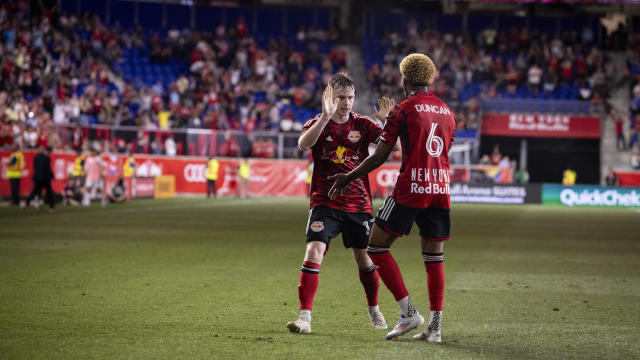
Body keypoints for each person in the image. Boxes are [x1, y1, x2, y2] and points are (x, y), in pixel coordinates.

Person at [329, 54, 456, 342]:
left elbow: (382, 155)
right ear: (429, 78)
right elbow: (445, 149)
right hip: (440, 189)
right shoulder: (448, 111)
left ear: (404, 79)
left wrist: (347, 176)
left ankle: (409, 312)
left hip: (411, 188)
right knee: (434, 257)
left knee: (375, 247)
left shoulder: (403, 109)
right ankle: (435, 328)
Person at [286, 72, 395, 335]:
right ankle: (305, 319)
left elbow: (396, 147)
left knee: (363, 257)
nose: (346, 103)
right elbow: (303, 144)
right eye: (340, 98)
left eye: (349, 98)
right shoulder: (318, 122)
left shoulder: (364, 124)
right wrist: (324, 117)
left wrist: (387, 122)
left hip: (358, 204)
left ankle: (374, 309)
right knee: (313, 252)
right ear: (330, 98)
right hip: (325, 201)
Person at [26, 146, 56, 211]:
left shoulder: (35, 157)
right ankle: (52, 207)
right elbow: (48, 169)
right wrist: (52, 176)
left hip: (37, 177)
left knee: (34, 192)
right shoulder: (46, 158)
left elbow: (35, 168)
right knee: (49, 193)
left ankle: (27, 203)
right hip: (45, 178)